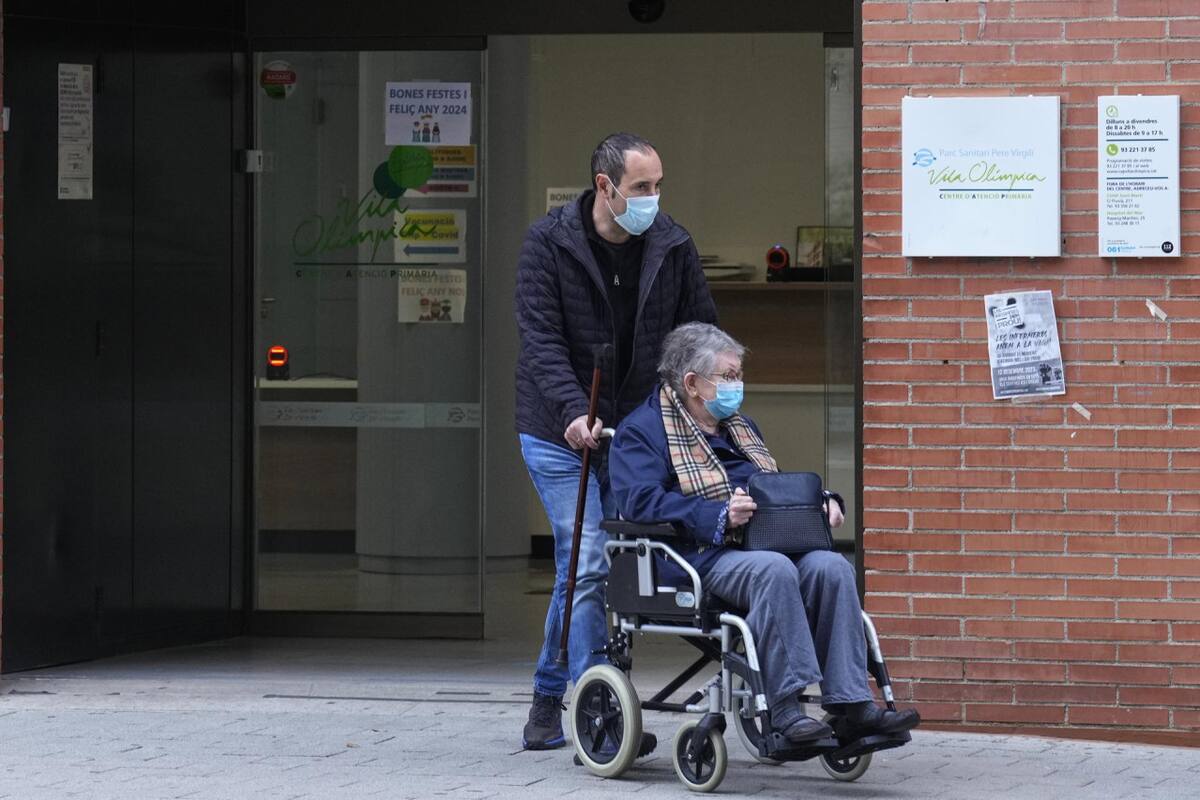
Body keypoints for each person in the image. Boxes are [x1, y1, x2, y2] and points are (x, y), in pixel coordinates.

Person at [608, 322, 920, 743]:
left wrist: (820, 502)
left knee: (832, 568)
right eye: (728, 376)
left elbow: (770, 487)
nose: (737, 385)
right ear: (692, 383)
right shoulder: (643, 431)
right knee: (773, 570)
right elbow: (639, 502)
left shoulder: (740, 427)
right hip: (694, 556)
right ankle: (784, 709)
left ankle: (851, 704)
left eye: (739, 375)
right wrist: (718, 514)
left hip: (760, 545)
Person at [516, 133, 717, 750]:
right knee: (586, 562)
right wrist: (573, 413)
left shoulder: (672, 245)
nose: (654, 198)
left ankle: (548, 699)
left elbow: (698, 333)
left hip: (633, 434)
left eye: (658, 185)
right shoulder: (548, 243)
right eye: (641, 187)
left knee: (597, 568)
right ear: (605, 186)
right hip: (559, 431)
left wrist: (704, 402)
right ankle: (594, 712)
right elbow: (541, 341)